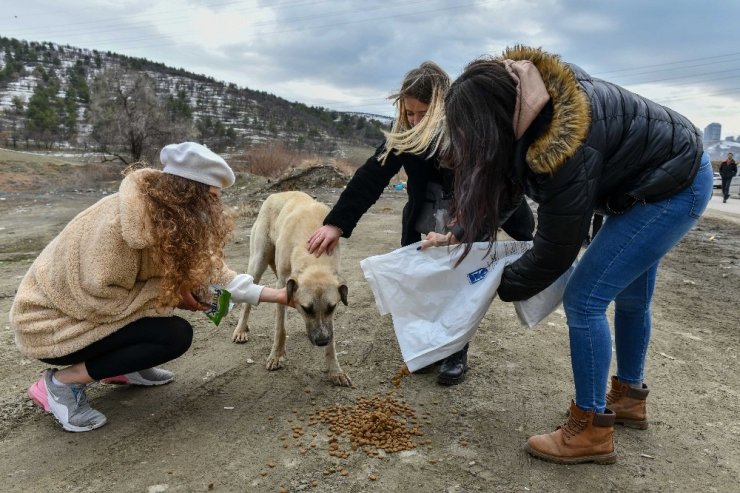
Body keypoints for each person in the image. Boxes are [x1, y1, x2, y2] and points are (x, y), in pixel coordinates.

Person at [431, 46, 712, 464]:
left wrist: (493, 284)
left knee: (585, 299)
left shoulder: (565, 139)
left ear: (495, 117)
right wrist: (463, 231)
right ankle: (629, 400)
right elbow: (507, 185)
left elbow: (555, 251)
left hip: (673, 187)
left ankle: (590, 430)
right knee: (631, 298)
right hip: (657, 178)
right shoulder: (529, 107)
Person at [9, 142, 292, 432]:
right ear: (190, 194)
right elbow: (98, 297)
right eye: (212, 198)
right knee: (173, 336)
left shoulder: (168, 219)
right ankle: (60, 384)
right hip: (48, 325)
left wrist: (279, 296)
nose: (216, 209)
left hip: (85, 315)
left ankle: (122, 369)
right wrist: (170, 294)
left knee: (167, 321)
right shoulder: (120, 225)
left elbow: (215, 274)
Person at [306, 61, 534, 386]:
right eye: (408, 113)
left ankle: (456, 350)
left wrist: (525, 234)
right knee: (421, 283)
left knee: (460, 285)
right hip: (423, 217)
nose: (413, 121)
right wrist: (337, 223)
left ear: (442, 106)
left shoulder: (470, 129)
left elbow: (502, 185)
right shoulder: (406, 135)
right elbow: (372, 174)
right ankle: (430, 345)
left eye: (420, 113)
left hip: (466, 217)